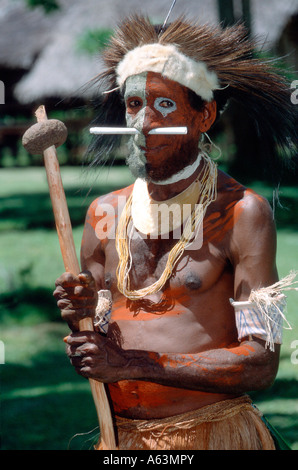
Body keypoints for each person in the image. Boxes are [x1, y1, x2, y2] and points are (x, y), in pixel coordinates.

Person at [53, 15, 297, 450]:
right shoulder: (104, 212)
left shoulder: (242, 214)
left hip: (213, 433)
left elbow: (261, 363)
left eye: (164, 105)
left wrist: (133, 364)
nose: (143, 122)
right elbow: (94, 332)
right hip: (123, 440)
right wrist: (82, 314)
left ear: (203, 115)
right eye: (133, 105)